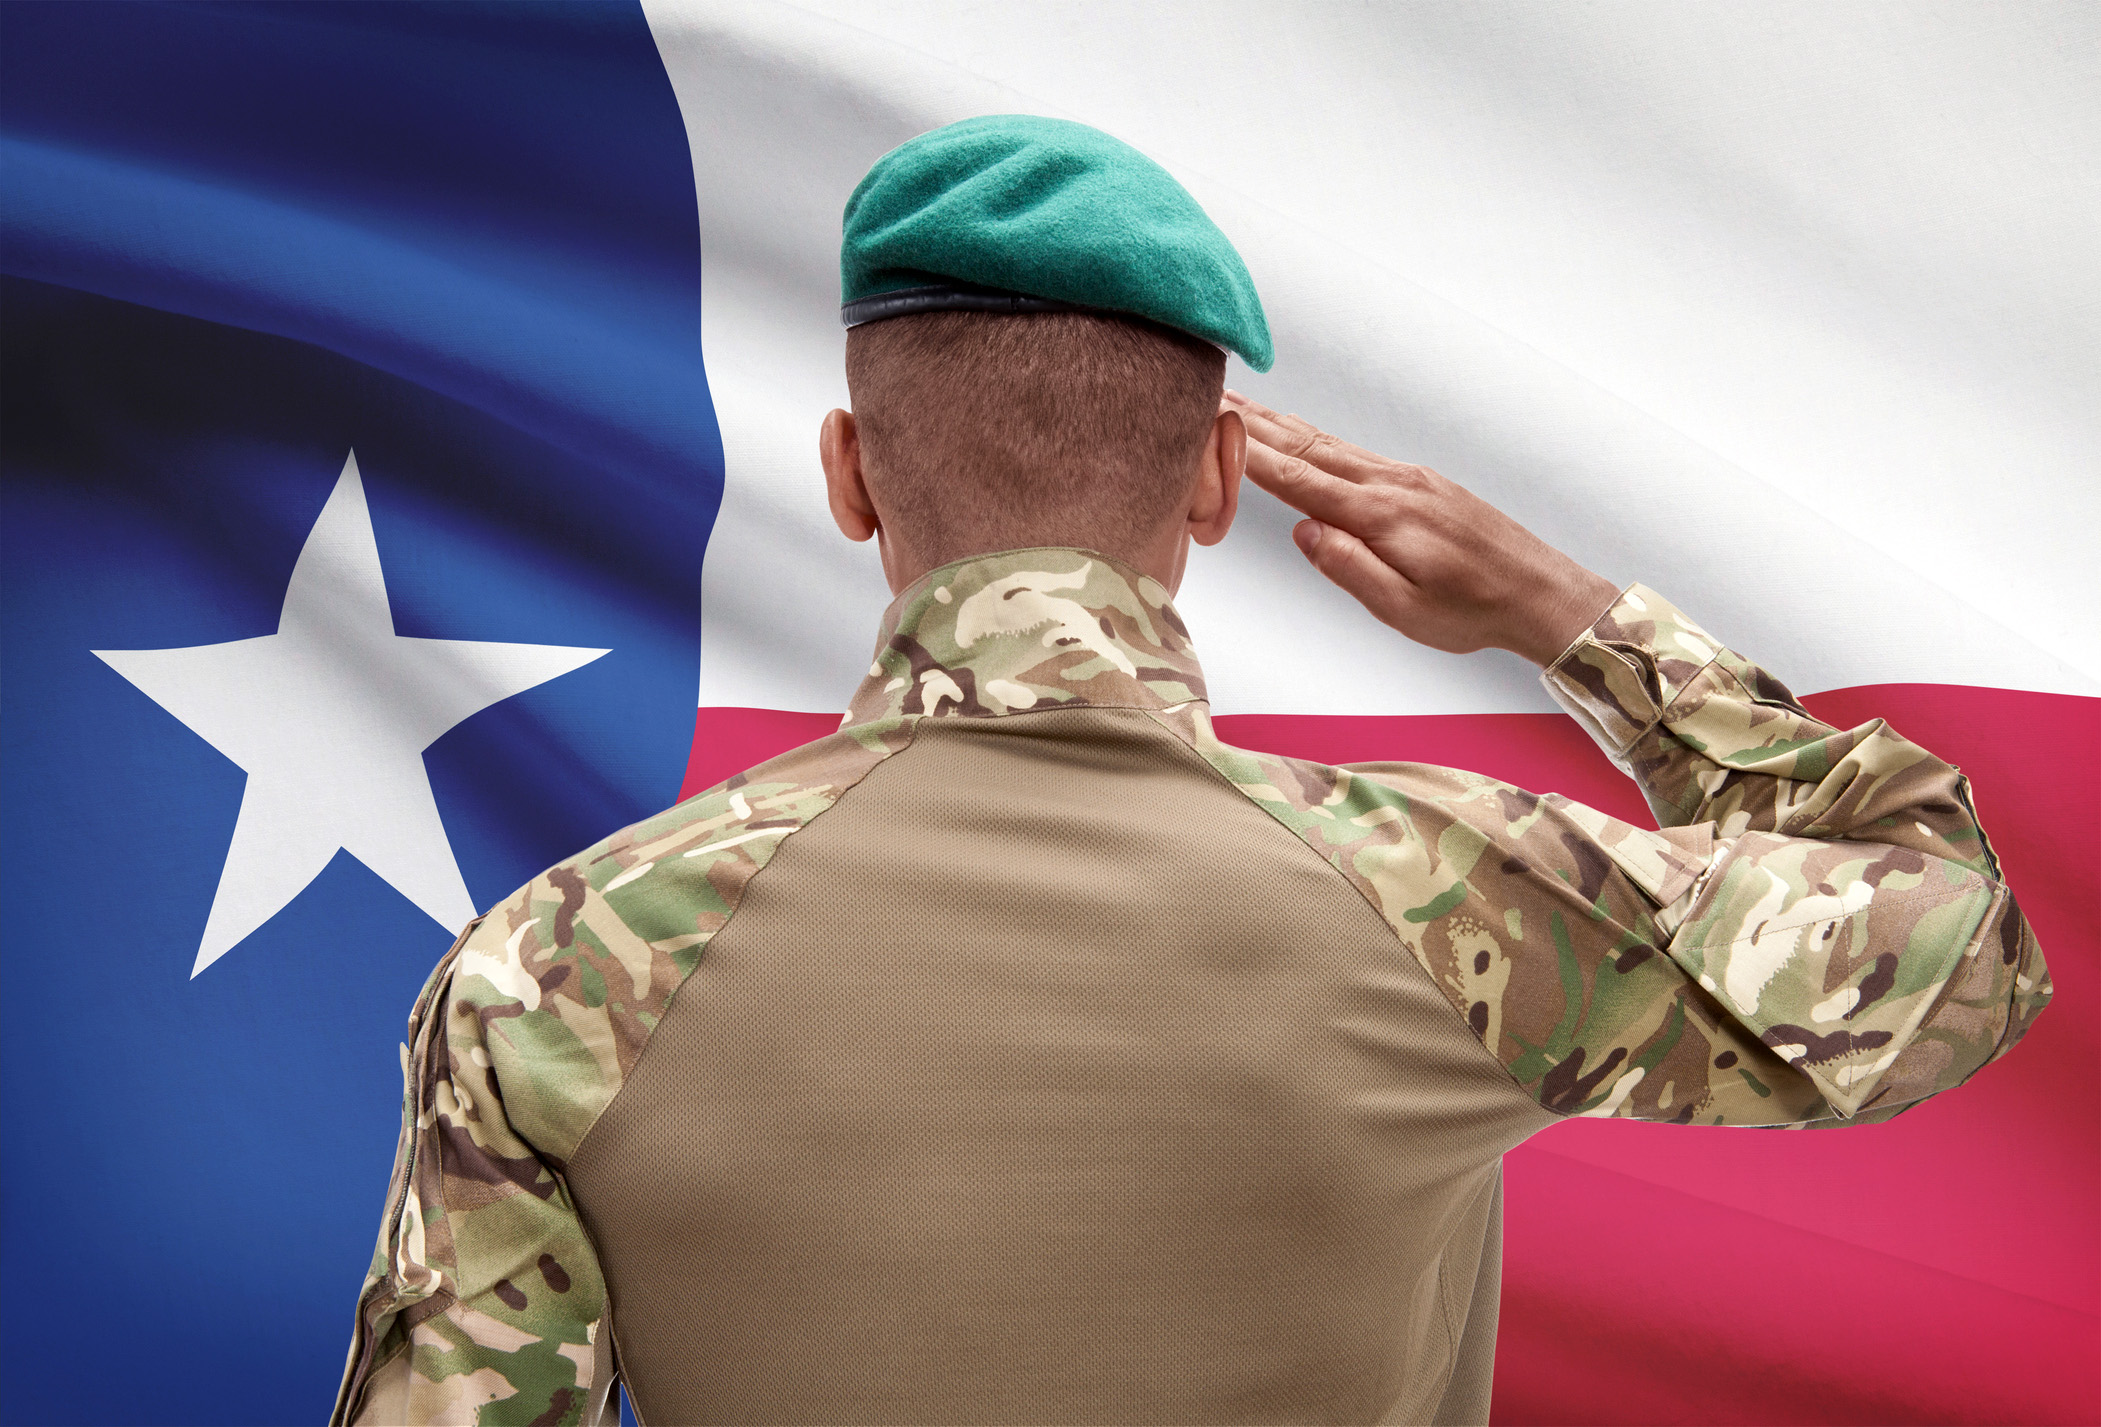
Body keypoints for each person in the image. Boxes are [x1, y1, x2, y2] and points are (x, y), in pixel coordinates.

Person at [333, 115, 2052, 1427]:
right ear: (1222, 478)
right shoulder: (1455, 898)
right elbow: (1957, 940)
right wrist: (1570, 617)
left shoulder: (553, 967)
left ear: (850, 476)